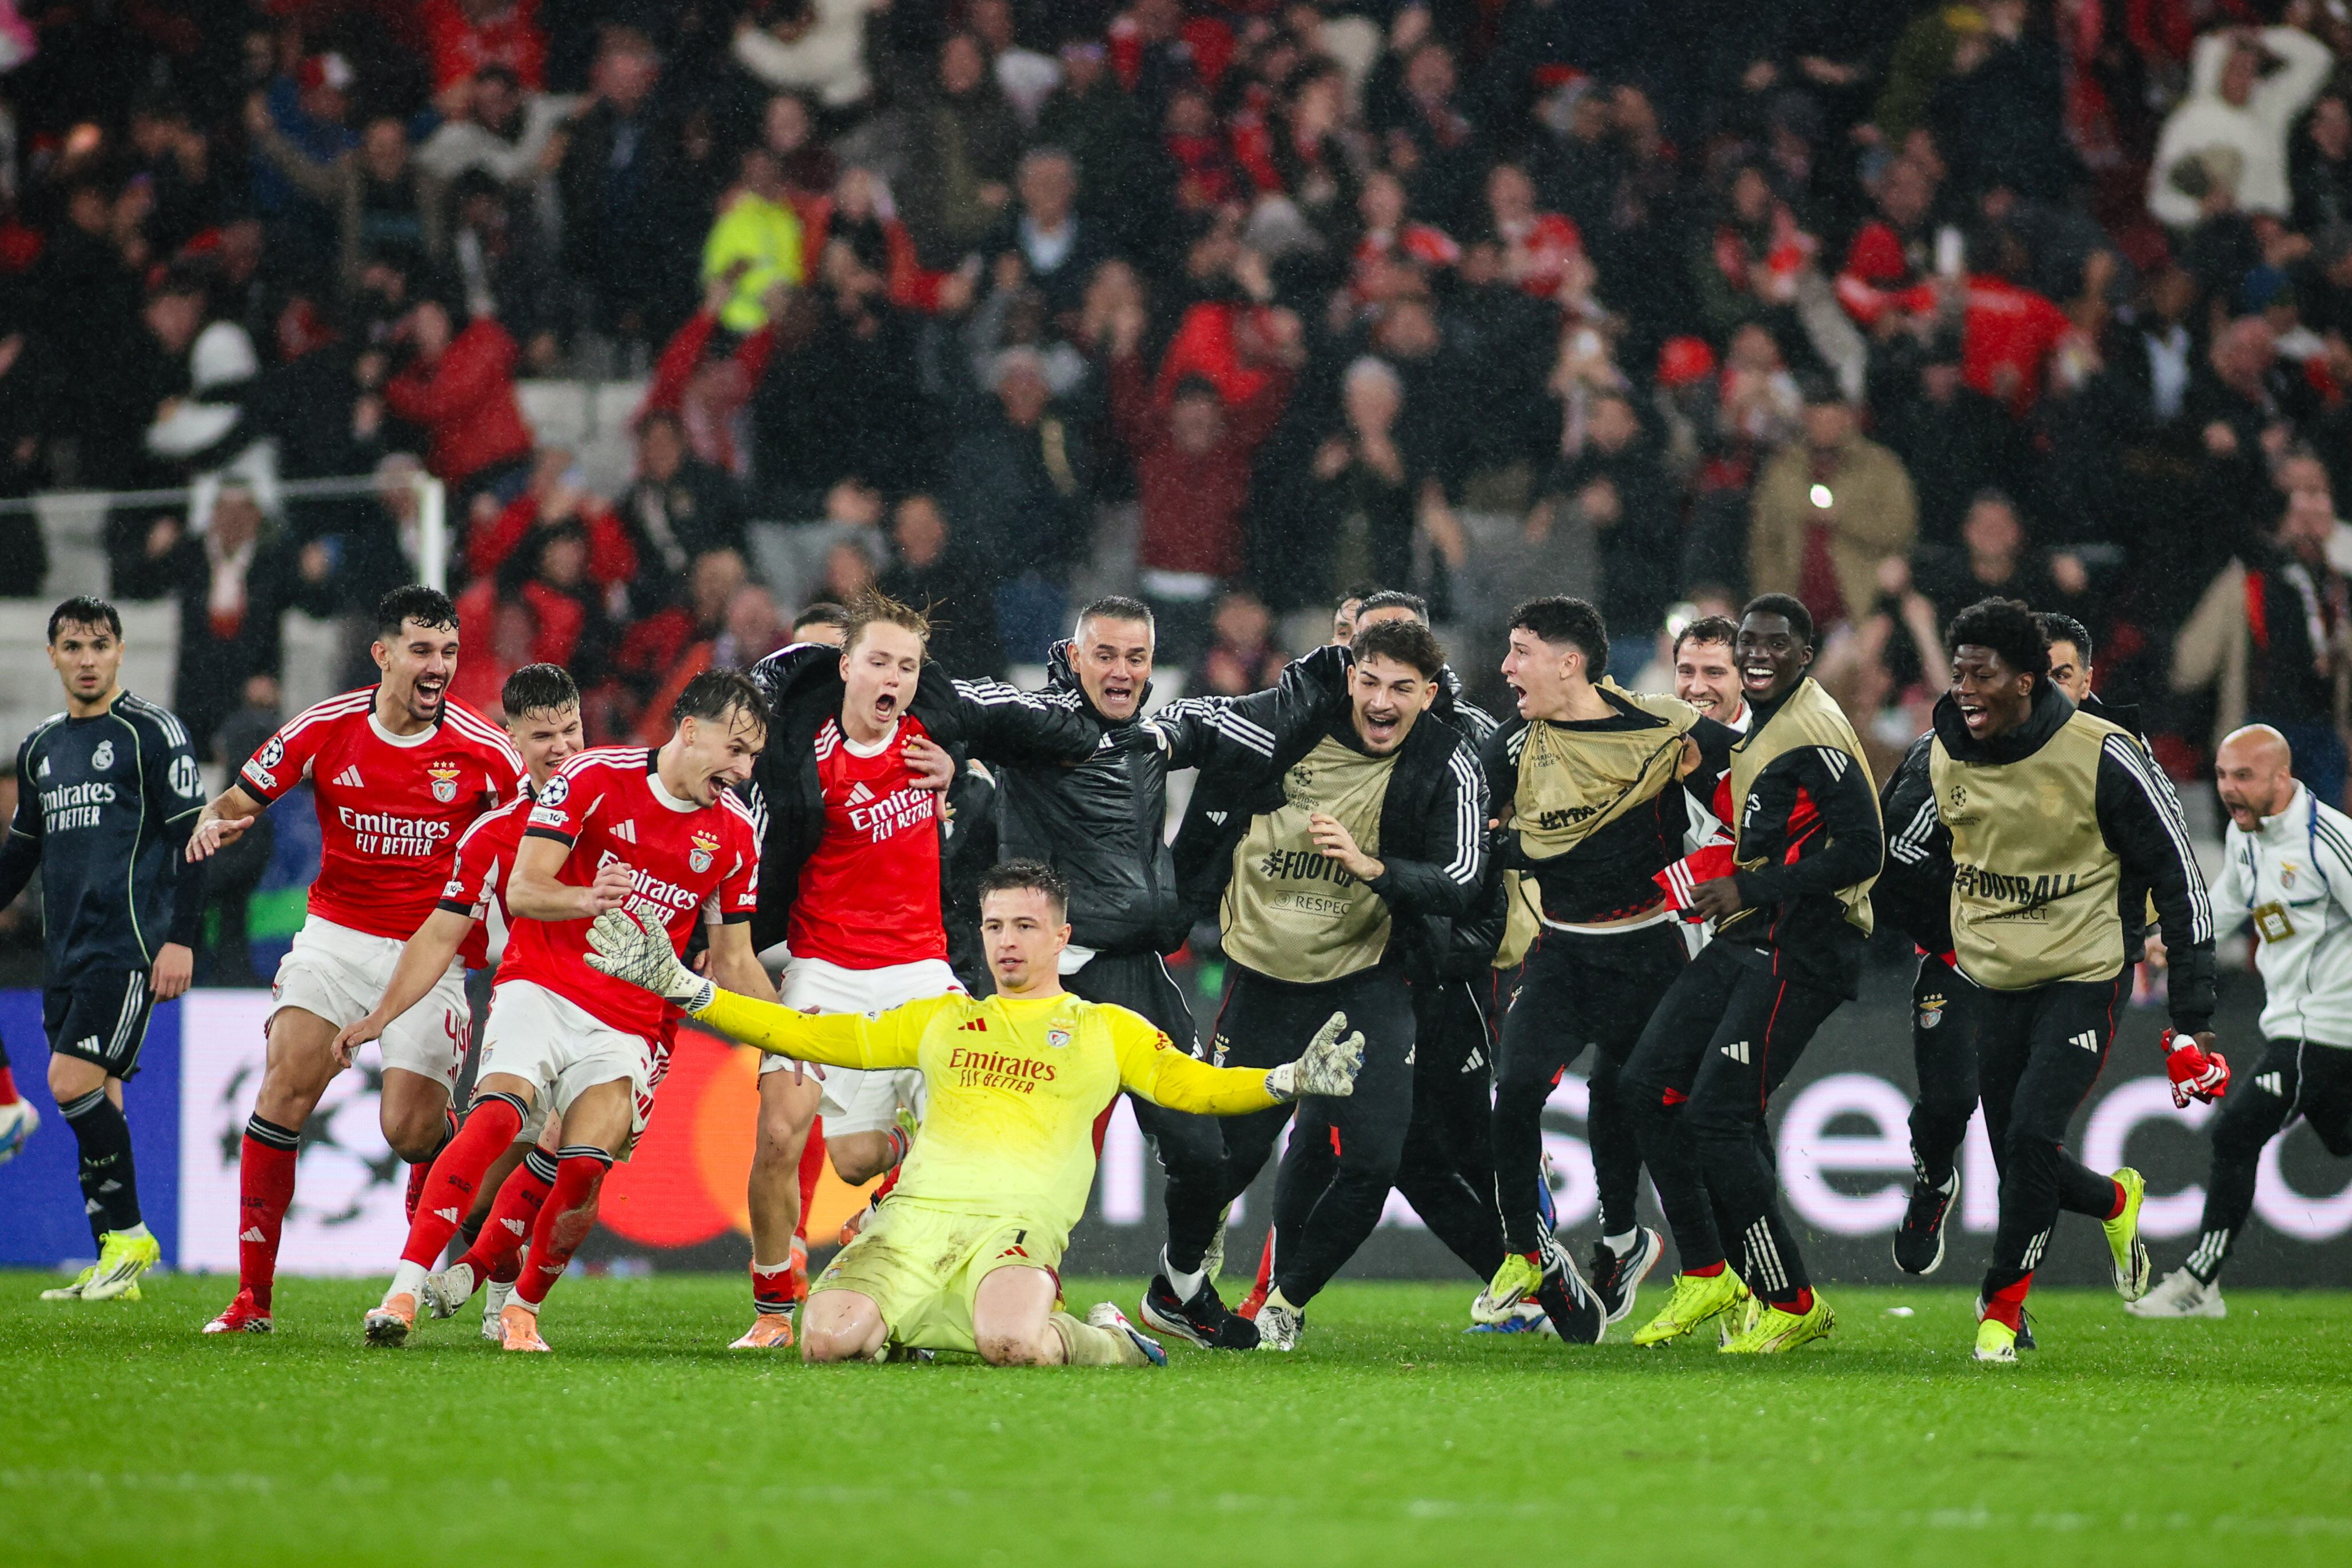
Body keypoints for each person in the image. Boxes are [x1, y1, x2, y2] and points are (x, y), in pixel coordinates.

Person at [583, 860, 1366, 1367]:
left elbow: (1193, 1086)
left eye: (1025, 926)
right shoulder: (943, 1018)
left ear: (1061, 936)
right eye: (994, 926)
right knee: (824, 1340)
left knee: (1012, 1342)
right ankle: (904, 1325)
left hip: (1013, 1227)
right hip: (913, 1222)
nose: (1007, 942)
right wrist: (687, 989)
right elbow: (805, 1032)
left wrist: (1286, 1079)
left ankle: (1114, 1340)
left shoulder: (1104, 1028)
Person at [364, 669, 772, 1350]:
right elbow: (524, 890)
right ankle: (402, 1292)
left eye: (753, 756)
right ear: (690, 731)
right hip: (543, 985)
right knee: (498, 1117)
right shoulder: (593, 777)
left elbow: (734, 960)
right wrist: (588, 899)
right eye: (736, 749)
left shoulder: (734, 833)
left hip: (631, 1022)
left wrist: (797, 1039)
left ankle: (518, 1310)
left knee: (583, 1166)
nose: (743, 770)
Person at [731, 592, 1098, 1350]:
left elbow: (1012, 740)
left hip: (920, 971)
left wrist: (962, 774)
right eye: (878, 662)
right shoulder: (803, 757)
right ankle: (771, 1308)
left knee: (979, 1125)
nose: (892, 678)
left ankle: (1006, 1275)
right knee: (806, 1144)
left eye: (906, 665)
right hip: (824, 967)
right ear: (846, 667)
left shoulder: (934, 742)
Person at [1155, 619, 1519, 1350]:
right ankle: (1178, 1284)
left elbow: (1460, 878)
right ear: (1350, 677)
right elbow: (1199, 722)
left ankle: (1285, 1302)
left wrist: (1371, 867)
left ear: (1428, 695)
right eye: (1371, 682)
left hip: (1365, 980)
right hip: (1263, 977)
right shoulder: (1287, 725)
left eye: (1402, 688)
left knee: (1375, 1162)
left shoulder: (1446, 758)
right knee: (1227, 1158)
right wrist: (1153, 736)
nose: (1382, 701)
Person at [190, 587, 525, 1335]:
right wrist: (215, 824)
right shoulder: (326, 726)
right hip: (336, 937)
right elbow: (239, 799)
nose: (437, 667)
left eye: (448, 652)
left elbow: (539, 840)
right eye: (422, 650)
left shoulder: (485, 750)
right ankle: (252, 1301)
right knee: (283, 1087)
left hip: (433, 951)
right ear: (383, 654)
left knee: (408, 1130)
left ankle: (460, 1191)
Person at [1915, 598, 2224, 1362]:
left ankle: (1999, 1309)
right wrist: (1936, 937)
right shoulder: (1941, 751)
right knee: (2021, 1156)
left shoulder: (2106, 752)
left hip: (2084, 973)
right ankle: (2116, 1200)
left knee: (2030, 1134)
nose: (1965, 690)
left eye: (1982, 675)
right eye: (1958, 674)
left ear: (2027, 682)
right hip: (1991, 978)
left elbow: (2181, 876)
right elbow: (1900, 856)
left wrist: (2191, 1019)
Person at [1621, 595, 1883, 1355]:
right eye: (1750, 644)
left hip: (1804, 944)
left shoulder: (1811, 730)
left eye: (1776, 645)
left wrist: (1749, 886)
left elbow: (1863, 850)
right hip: (1751, 935)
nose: (1759, 655)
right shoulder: (1768, 724)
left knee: (1718, 1116)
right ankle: (1710, 1272)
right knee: (1645, 1086)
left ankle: (1789, 1300)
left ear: (1805, 655)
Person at [990, 598, 1249, 1348]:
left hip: (1136, 974)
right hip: (1050, 977)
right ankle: (973, 1283)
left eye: (1136, 657)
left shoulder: (1147, 739)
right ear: (1074, 657)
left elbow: (1245, 732)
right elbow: (968, 715)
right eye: (1105, 654)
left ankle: (1181, 1289)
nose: (1121, 670)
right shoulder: (1038, 726)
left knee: (1202, 1153)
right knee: (1022, 1156)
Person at [1480, 597, 1731, 1330]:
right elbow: (1473, 835)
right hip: (1560, 952)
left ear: (1569, 664)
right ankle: (1524, 1250)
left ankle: (1683, 1260)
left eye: (1521, 651)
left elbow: (1757, 780)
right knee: (1515, 1088)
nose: (1506, 666)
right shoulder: (1513, 747)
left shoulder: (1662, 726)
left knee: (1646, 1107)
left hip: (1649, 952)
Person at [326, 664, 583, 1340]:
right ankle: (416, 1292)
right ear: (512, 740)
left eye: (570, 731)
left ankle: (498, 1293)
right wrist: (381, 1015)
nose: (560, 748)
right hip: (530, 998)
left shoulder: (616, 805)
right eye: (542, 736)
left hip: (616, 1017)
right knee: (492, 1150)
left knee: (575, 1167)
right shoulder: (494, 833)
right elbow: (440, 933)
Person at [0, 599, 206, 1302]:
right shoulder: (41, 747)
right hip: (65, 950)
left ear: (119, 651)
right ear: (52, 656)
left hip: (129, 944)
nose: (86, 659)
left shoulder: (152, 731)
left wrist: (180, 938)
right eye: (72, 646)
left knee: (68, 1082)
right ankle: (115, 1263)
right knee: (98, 1095)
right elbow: (20, 853)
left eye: (98, 645)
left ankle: (132, 1236)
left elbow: (193, 838)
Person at [2136, 724, 2343, 1319]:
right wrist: (2174, 942)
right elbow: (2227, 901)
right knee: (2342, 1138)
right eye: (2223, 774)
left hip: (2325, 1029)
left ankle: (2199, 1282)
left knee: (2235, 1132)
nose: (2228, 788)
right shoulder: (2247, 835)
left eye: (2244, 776)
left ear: (2282, 776)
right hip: (2295, 1026)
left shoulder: (2326, 840)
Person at [1671, 615, 1748, 731]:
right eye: (1687, 672)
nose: (1697, 689)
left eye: (1714, 673)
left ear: (1744, 678)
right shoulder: (1654, 736)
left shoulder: (1770, 738)